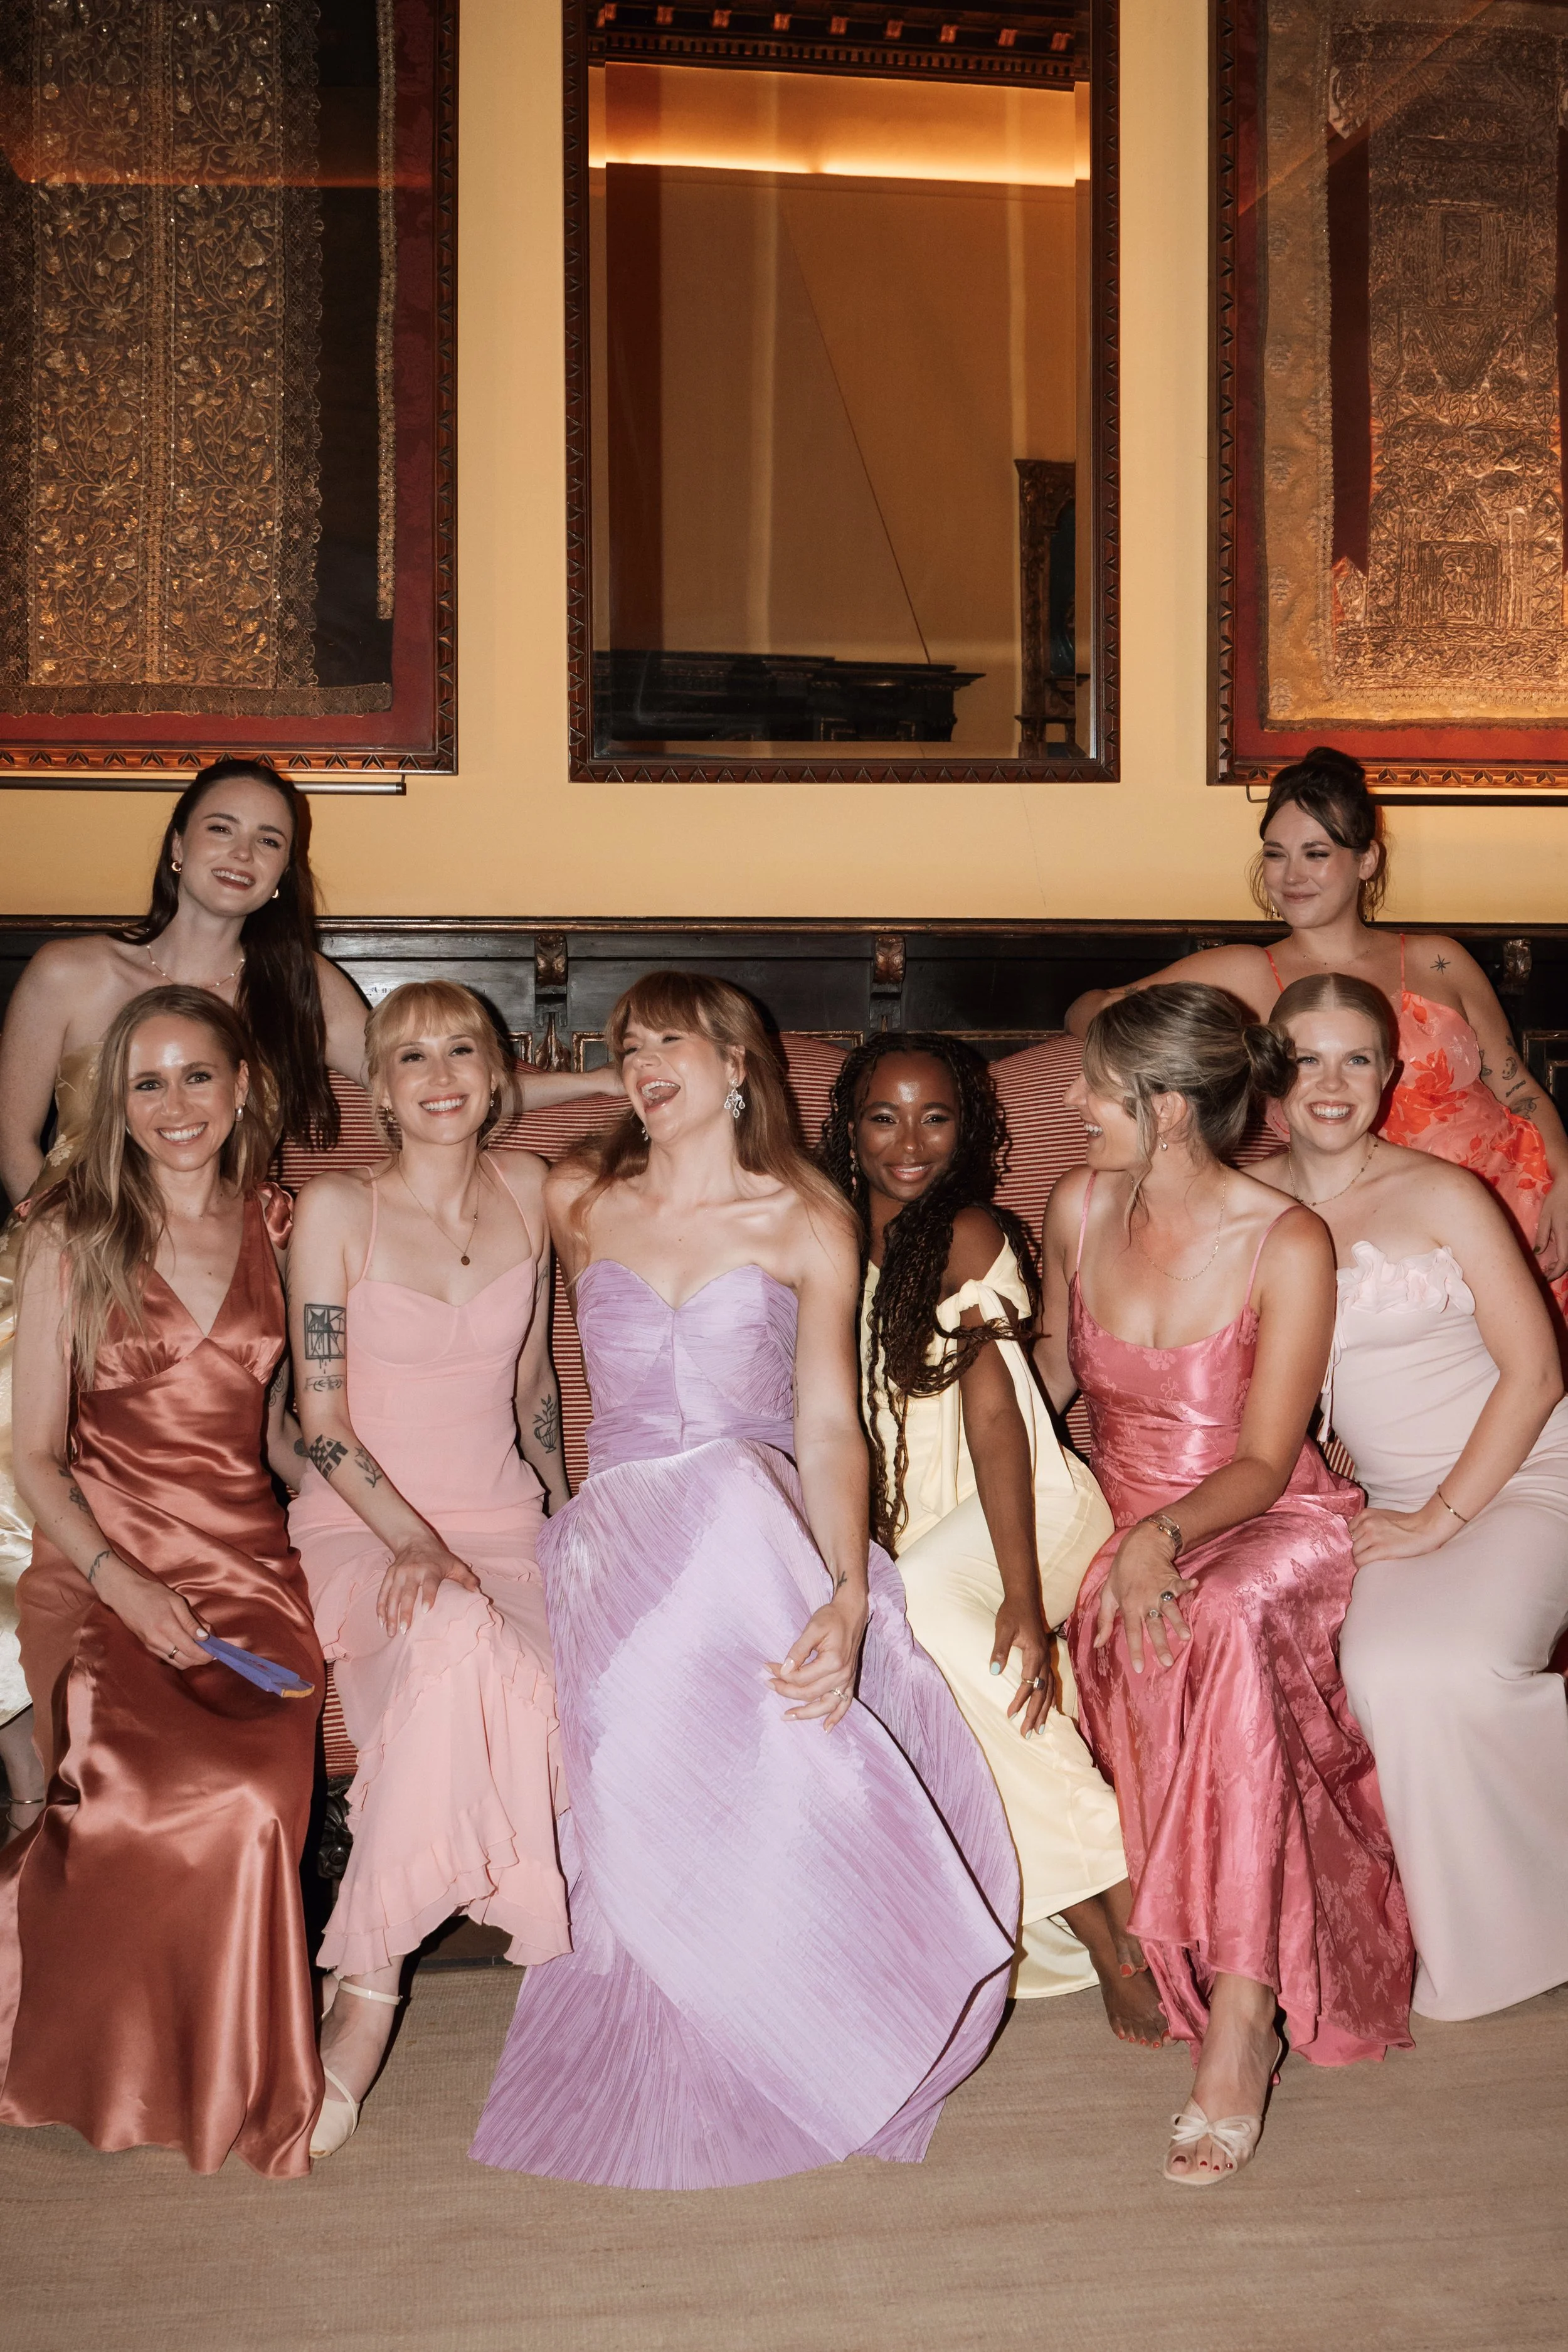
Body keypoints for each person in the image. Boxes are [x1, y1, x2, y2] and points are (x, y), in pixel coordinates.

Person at [471, 973, 1019, 2191]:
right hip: (612, 1533)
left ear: (738, 1066)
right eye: (625, 1047)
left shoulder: (803, 1217)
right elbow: (456, 1115)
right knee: (655, 1646)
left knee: (727, 1503)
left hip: (750, 1524)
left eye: (670, 1041)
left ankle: (809, 2002)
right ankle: (688, 2013)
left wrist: (845, 1590)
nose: (640, 1062)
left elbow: (827, 1427)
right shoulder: (577, 1197)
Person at [0, 755, 610, 1842]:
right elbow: (16, 1151)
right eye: (221, 829)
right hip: (72, 1274)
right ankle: (40, 1763)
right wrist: (92, 1261)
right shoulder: (70, 972)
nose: (241, 854)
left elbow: (429, 1086)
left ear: (286, 873)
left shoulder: (302, 991)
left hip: (236, 1278)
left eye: (269, 841)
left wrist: (602, 1086)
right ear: (176, 846)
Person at [1036, 984, 1412, 2186]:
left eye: (1094, 1085)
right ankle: (1147, 1933)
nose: (1068, 1100)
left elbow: (1263, 1455)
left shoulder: (1284, 1237)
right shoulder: (1079, 1202)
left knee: (1224, 1613)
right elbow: (1049, 1376)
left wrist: (1162, 1543)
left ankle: (1244, 2019)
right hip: (1117, 1510)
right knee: (1082, 1611)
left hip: (1261, 1516)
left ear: (1169, 1108)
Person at [0, 988, 323, 2176]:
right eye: (148, 1082)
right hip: (100, 1569)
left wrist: (394, 1526)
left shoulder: (284, 1225)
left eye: (199, 1077)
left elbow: (288, 1434)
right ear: (117, 1104)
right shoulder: (65, 1231)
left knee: (251, 1806)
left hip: (249, 1572)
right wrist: (122, 1584)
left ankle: (217, 2069)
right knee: (139, 1795)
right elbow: (33, 1454)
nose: (175, 1104)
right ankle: (96, 2050)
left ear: (244, 1086)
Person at [819, 1032, 1167, 2046]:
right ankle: (1108, 1918)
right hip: (916, 1529)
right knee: (924, 1654)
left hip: (1030, 1509)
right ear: (849, 1126)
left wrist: (1020, 1591)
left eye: (936, 1116)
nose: (909, 1141)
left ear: (968, 1130)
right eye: (885, 1116)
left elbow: (1001, 1428)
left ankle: (1116, 1918)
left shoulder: (972, 1235)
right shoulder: (824, 1240)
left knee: (924, 1606)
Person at [287, 981, 572, 2159]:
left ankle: (377, 1976)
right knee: (452, 1637)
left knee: (548, 1669)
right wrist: (410, 1538)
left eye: (463, 1049)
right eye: (411, 1056)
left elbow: (533, 1390)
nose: (440, 1072)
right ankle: (370, 1992)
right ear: (378, 1087)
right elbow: (320, 1417)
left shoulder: (535, 1191)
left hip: (505, 1527)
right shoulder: (336, 1209)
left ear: (499, 1075)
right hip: (367, 1526)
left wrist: (571, 1526)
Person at [1263, 972, 1568, 2020]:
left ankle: (1528, 1922)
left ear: (1390, 1075)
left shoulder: (1444, 1193)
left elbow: (1537, 1374)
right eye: (1307, 1058)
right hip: (1387, 1501)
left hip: (1526, 1471)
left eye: (1358, 1058)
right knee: (1382, 1669)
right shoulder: (1256, 1209)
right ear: (1272, 1073)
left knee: (1456, 1663)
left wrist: (1442, 1518)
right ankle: (1487, 1929)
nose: (1333, 1083)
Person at [1063, 746, 1568, 1300]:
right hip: (1382, 1246)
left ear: (1367, 861)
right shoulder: (1243, 975)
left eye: (1316, 853)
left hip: (1528, 1208)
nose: (1291, 876)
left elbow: (1519, 1092)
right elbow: (1088, 1009)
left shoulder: (1438, 959)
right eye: (1276, 855)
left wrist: (1566, 1184)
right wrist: (1179, 1038)